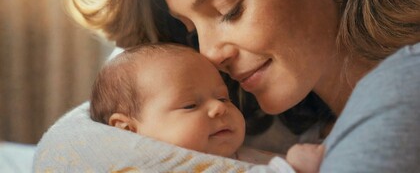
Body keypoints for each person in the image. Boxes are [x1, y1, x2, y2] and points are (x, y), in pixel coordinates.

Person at [66, 0, 420, 172]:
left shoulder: (403, 89)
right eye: (191, 30)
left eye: (229, 10)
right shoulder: (256, 121)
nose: (209, 54)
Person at [90, 43, 324, 172]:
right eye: (190, 105)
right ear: (128, 130)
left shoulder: (235, 151)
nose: (219, 109)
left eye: (224, 98)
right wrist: (293, 168)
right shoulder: (156, 168)